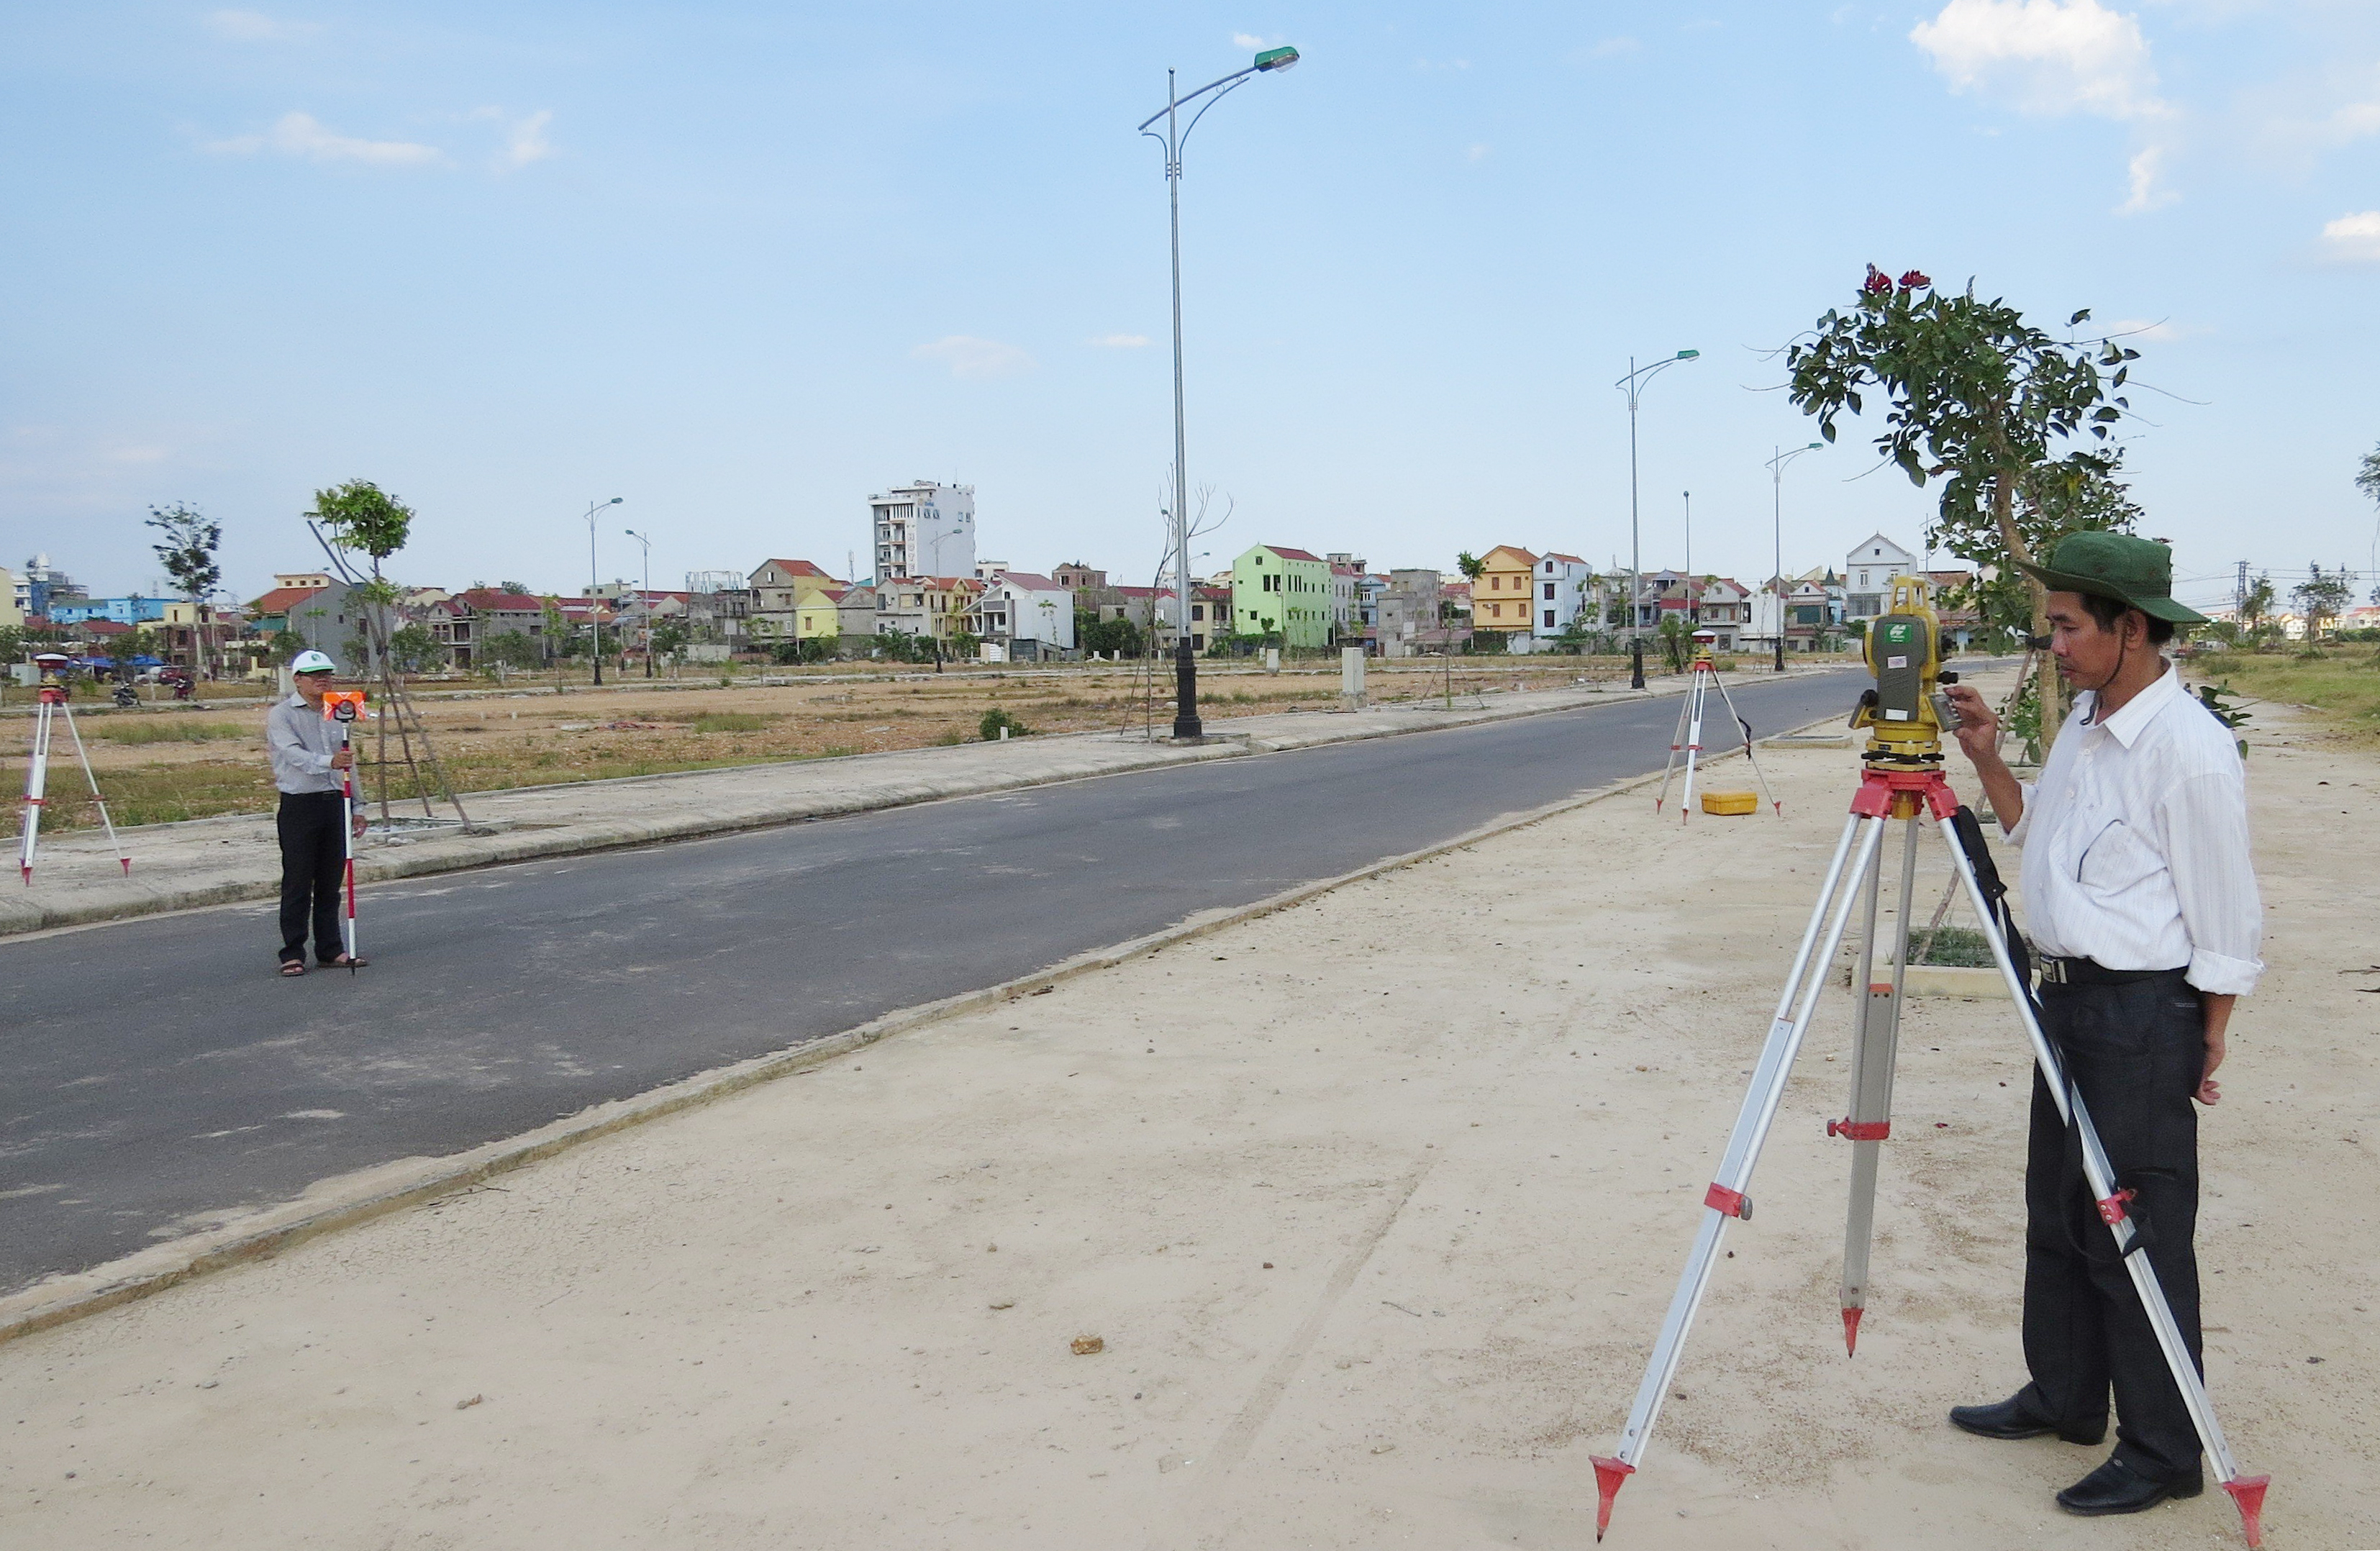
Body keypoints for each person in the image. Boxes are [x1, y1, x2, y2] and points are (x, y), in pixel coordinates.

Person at [1940, 533, 2261, 1519]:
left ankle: (2163, 1448)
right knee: (2062, 1214)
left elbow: (2228, 920)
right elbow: (2036, 832)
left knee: (2140, 1232)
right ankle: (2069, 1397)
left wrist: (2207, 1034)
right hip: (2069, 1002)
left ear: (2131, 629)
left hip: (2143, 1013)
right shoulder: (2085, 722)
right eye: (2052, 625)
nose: (2054, 644)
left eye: (2069, 625)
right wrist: (1989, 759)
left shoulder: (2191, 752)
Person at [267, 651, 368, 976]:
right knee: (298, 881)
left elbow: (348, 760)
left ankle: (331, 949)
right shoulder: (281, 715)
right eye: (314, 675)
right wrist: (329, 763)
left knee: (330, 881)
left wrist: (358, 805)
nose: (322, 680)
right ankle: (292, 952)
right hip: (300, 804)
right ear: (297, 679)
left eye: (327, 673)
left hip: (335, 801)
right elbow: (292, 754)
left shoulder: (337, 712)